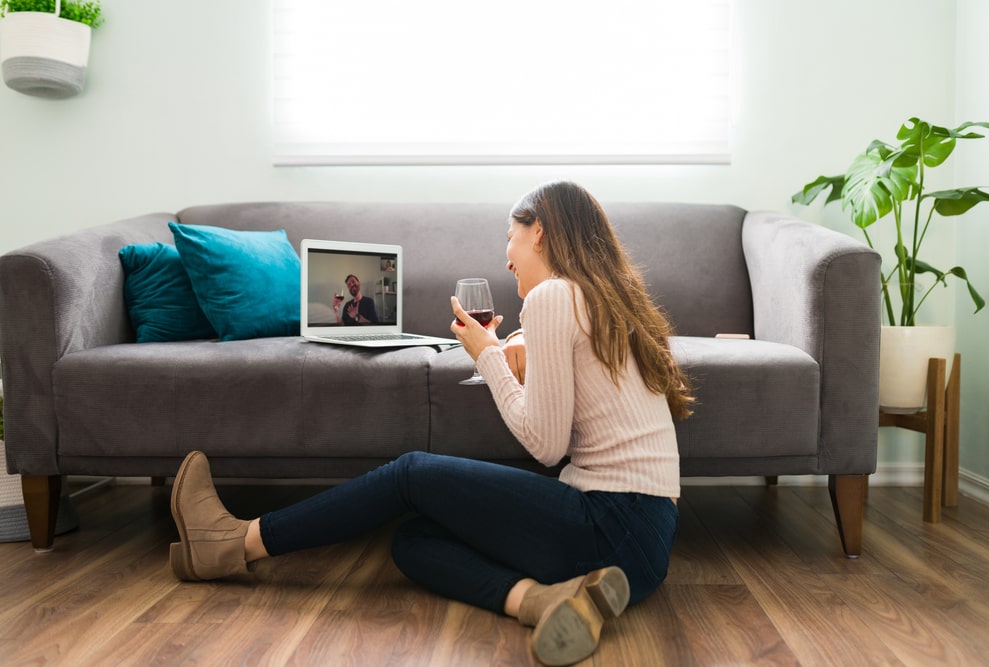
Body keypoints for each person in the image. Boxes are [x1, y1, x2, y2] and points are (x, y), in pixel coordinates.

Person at [168, 181, 692, 666]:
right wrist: (517, 350)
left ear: (542, 233)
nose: (507, 258)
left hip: (611, 521)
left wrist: (485, 353)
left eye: (510, 238)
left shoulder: (554, 295)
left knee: (411, 473)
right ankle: (541, 600)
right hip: (644, 549)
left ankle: (234, 543)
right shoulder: (610, 300)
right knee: (412, 542)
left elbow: (545, 445)